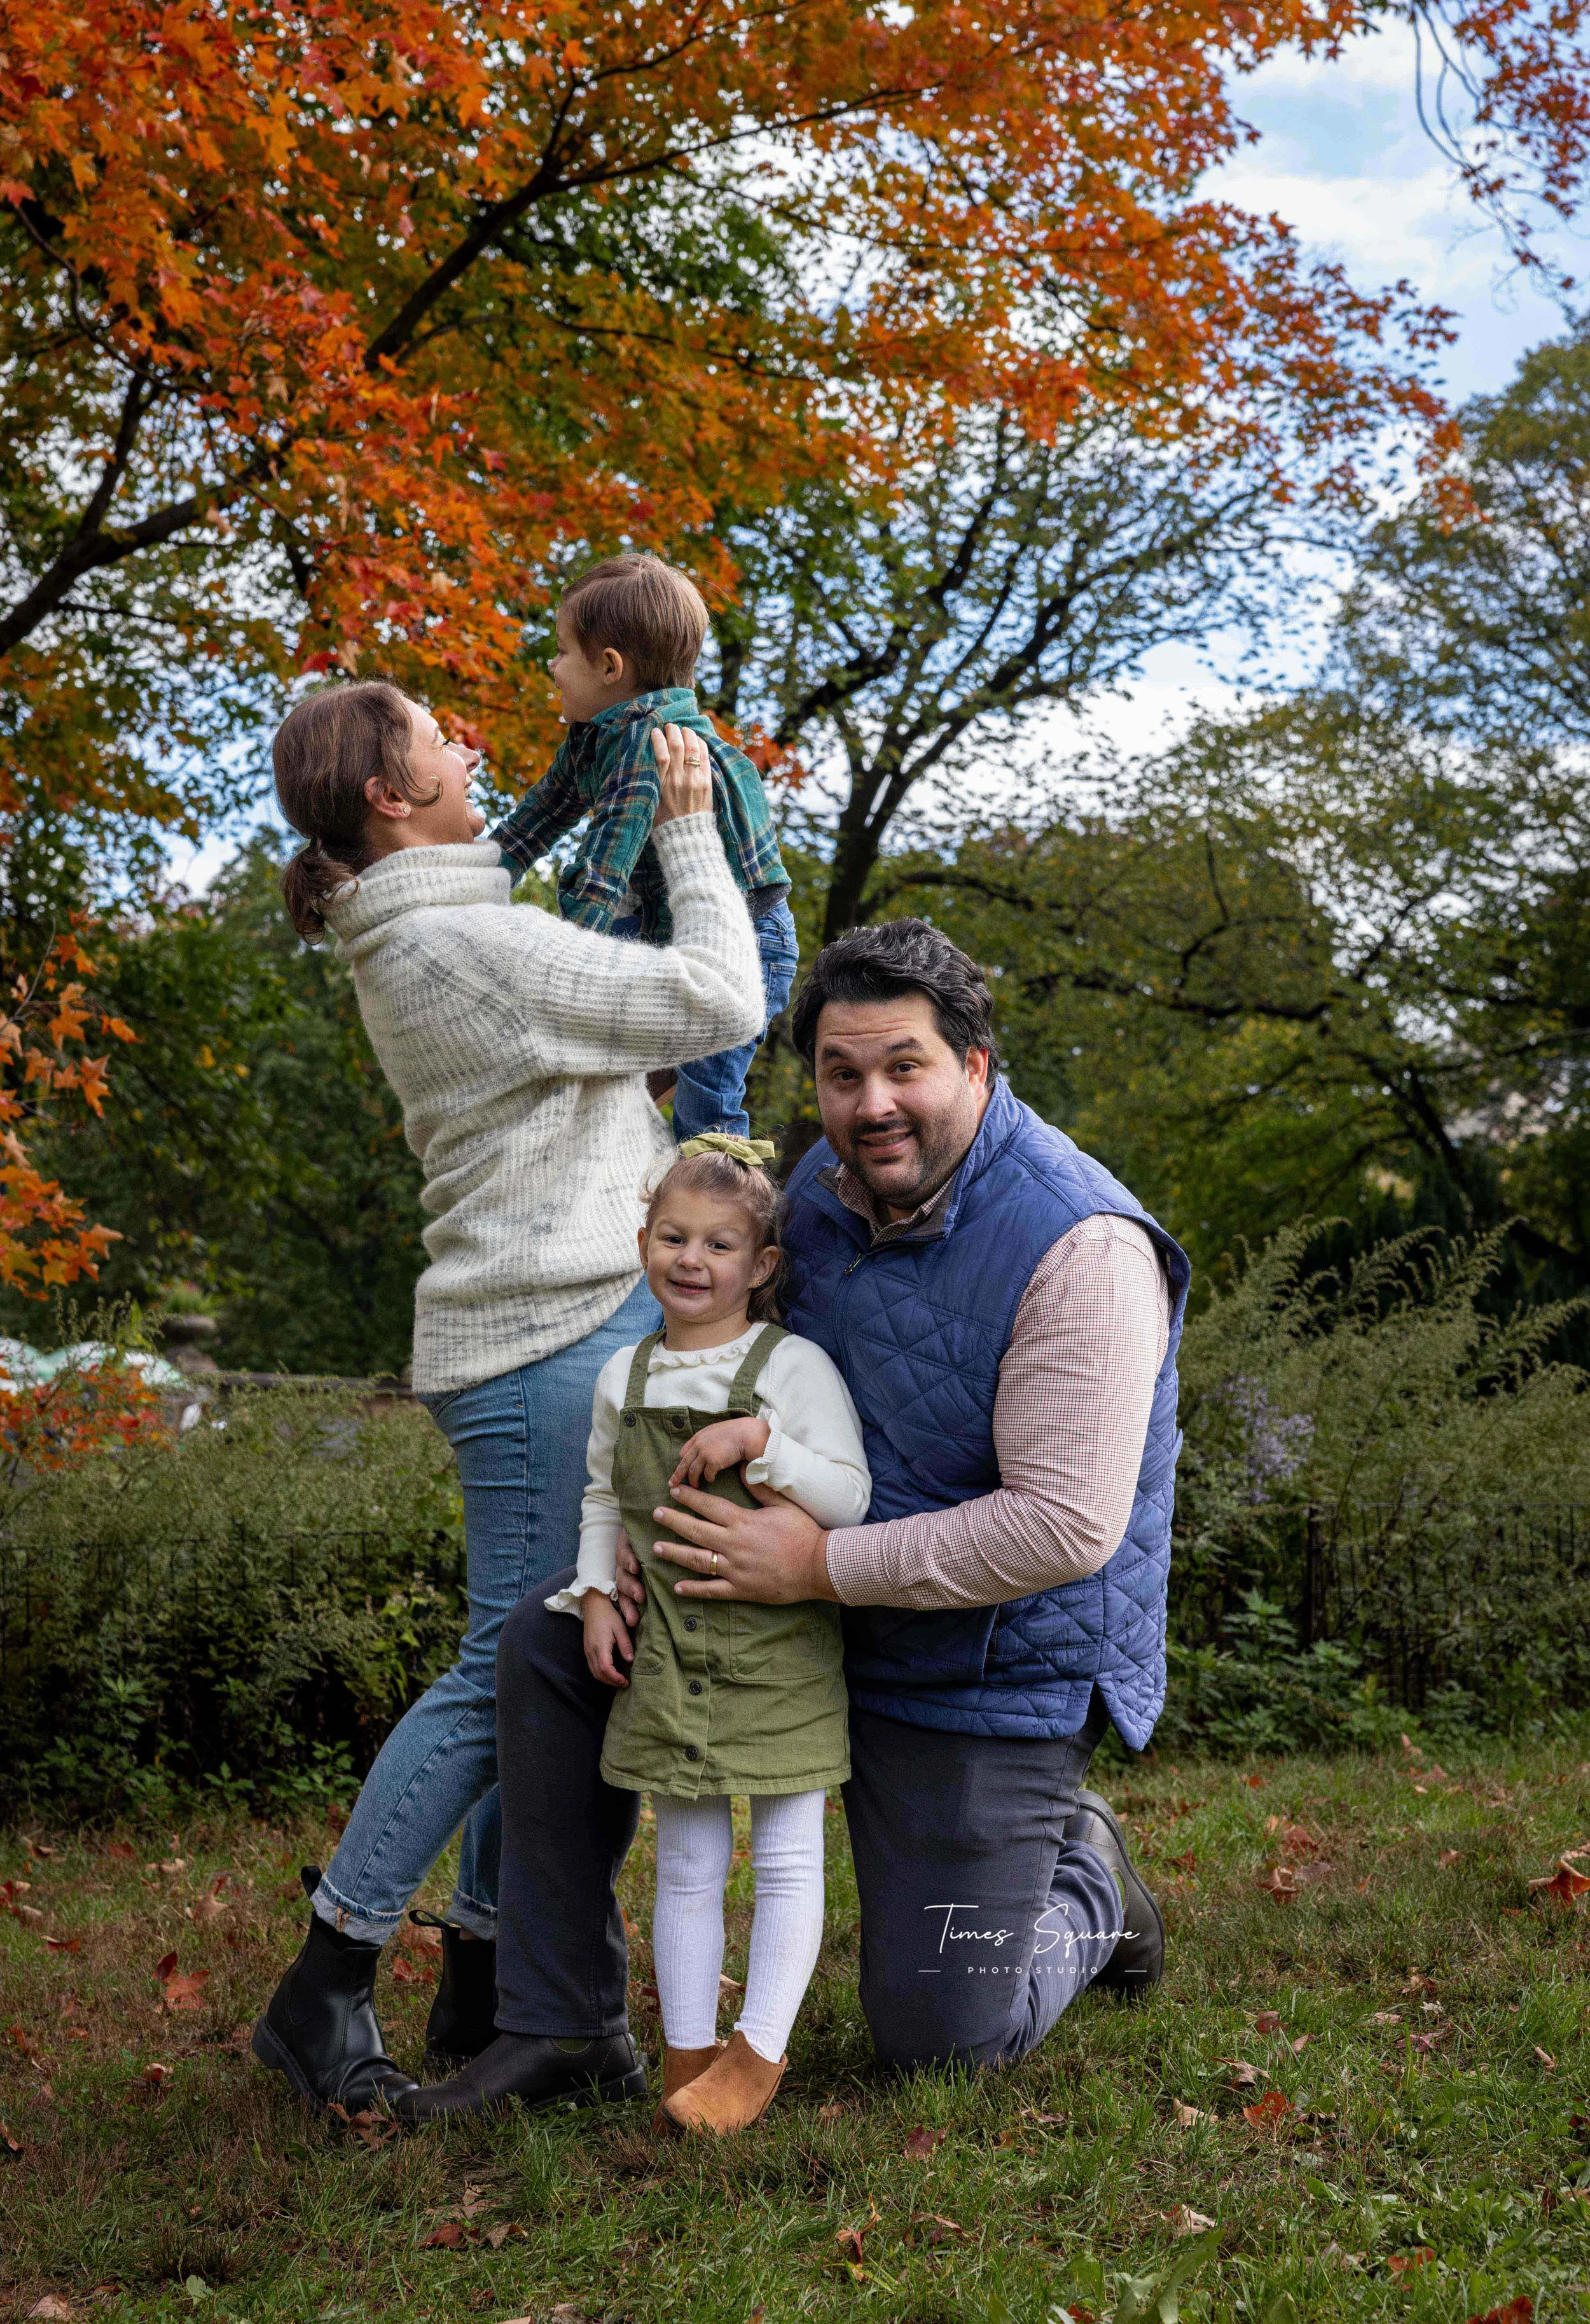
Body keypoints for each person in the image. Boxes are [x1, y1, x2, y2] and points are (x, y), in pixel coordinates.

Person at [399, 918, 1190, 2124]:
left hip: (982, 1660)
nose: (871, 1103)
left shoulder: (1083, 1245)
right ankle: (562, 2020)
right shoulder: (809, 1198)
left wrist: (819, 1561)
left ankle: (1087, 1877)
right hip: (784, 1617)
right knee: (548, 1643)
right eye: (840, 1072)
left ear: (977, 1064)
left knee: (943, 2034)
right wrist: (615, 1567)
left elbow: (1062, 1529)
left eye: (905, 1066)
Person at [250, 678, 764, 2117]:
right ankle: (326, 1975)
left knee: (544, 1676)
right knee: (506, 1670)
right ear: (391, 798)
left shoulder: (442, 930)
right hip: (540, 1339)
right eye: (435, 737)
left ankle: (490, 1972)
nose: (468, 745)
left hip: (548, 1326)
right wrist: (687, 828)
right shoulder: (471, 943)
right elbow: (725, 992)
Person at [550, 1132, 870, 2134]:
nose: (693, 1261)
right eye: (674, 1237)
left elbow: (853, 1502)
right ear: (643, 1242)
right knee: (686, 1864)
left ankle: (758, 2053)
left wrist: (764, 1444)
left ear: (761, 1266)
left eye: (720, 1245)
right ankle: (690, 2052)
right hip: (670, 1656)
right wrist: (597, 1590)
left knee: (784, 1857)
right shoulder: (623, 1378)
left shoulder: (793, 1368)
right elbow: (605, 1496)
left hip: (779, 1656)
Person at [490, 553, 798, 1141]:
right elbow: (529, 828)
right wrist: (461, 884)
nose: (551, 667)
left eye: (560, 652)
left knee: (705, 1111)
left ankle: (721, 1205)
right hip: (663, 933)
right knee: (607, 1101)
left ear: (609, 667)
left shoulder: (650, 745)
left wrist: (553, 971)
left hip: (748, 947)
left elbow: (604, 873)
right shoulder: (593, 739)